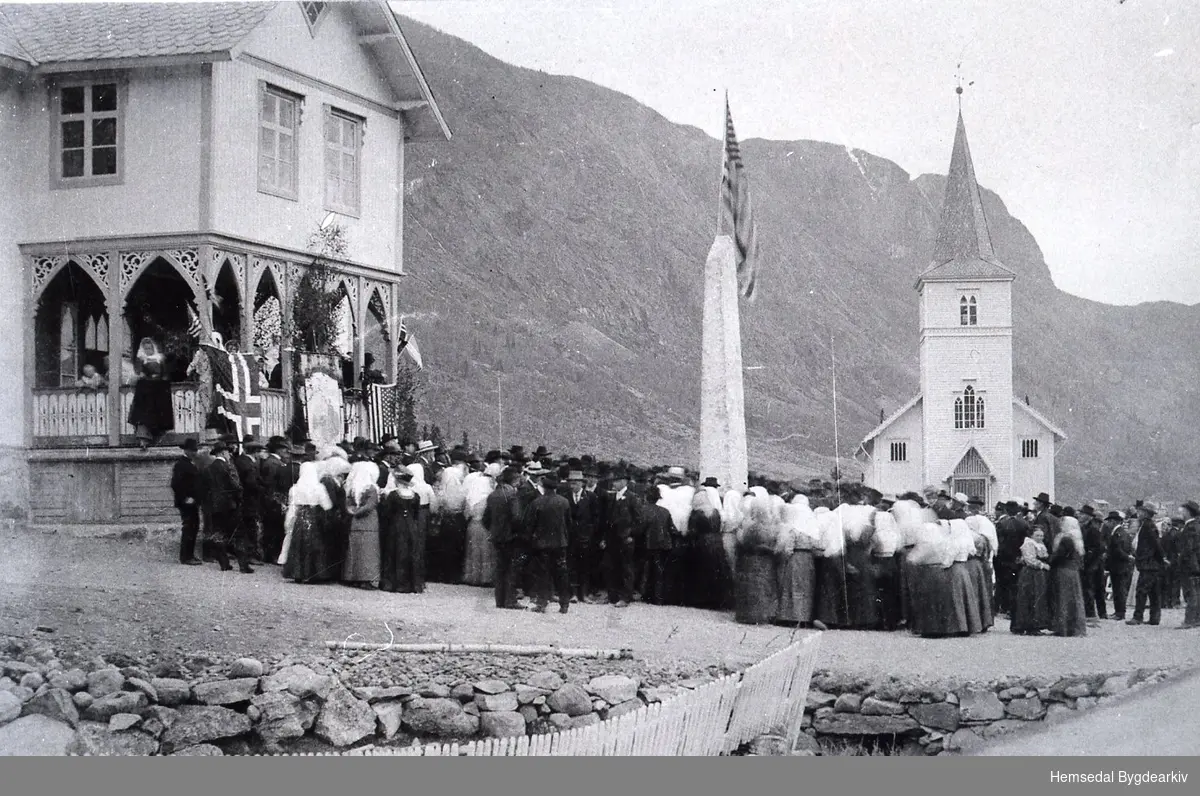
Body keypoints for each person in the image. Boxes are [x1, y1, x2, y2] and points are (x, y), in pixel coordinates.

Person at [522, 474, 572, 614]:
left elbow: (529, 525)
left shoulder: (537, 502)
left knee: (543, 574)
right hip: (560, 543)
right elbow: (569, 523)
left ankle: (542, 603)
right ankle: (564, 604)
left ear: (543, 487)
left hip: (541, 544)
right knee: (561, 574)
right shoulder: (564, 502)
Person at [278, 462, 335, 583]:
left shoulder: (294, 488)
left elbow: (291, 505)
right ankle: (312, 573)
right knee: (314, 543)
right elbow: (327, 505)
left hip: (299, 516)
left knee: (298, 543)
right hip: (313, 516)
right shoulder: (319, 487)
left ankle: (297, 572)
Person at [734, 495, 786, 625]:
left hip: (750, 560)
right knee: (764, 587)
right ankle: (762, 615)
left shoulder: (748, 525)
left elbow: (743, 542)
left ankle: (746, 615)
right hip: (766, 561)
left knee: (750, 588)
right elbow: (776, 545)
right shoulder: (773, 527)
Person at [203, 440, 253, 573]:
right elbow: (235, 486)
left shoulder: (209, 468)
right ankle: (243, 565)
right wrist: (239, 499)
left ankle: (224, 563)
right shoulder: (228, 467)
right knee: (238, 534)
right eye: (227, 451)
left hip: (215, 506)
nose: (230, 454)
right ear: (222, 452)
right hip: (230, 505)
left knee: (219, 534)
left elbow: (205, 489)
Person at [484, 466, 524, 608]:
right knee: (511, 569)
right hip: (510, 536)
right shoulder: (512, 495)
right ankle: (510, 600)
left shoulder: (493, 495)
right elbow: (517, 517)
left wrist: (494, 530)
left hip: (496, 536)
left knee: (500, 568)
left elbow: (486, 518)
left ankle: (499, 600)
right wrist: (516, 531)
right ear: (514, 480)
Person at [126, 337, 174, 449]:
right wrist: (141, 375)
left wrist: (163, 380)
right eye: (146, 348)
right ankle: (144, 440)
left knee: (158, 414)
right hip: (145, 391)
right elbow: (138, 373)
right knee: (143, 416)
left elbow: (165, 374)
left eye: (150, 348)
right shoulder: (141, 359)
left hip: (159, 389)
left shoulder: (160, 359)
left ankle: (157, 437)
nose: (148, 350)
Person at [603, 468, 641, 607]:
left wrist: (631, 535)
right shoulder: (612, 497)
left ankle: (625, 597)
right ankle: (612, 596)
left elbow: (639, 520)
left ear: (624, 482)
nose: (614, 483)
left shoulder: (633, 498)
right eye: (613, 480)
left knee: (626, 568)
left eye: (617, 480)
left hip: (626, 539)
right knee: (611, 567)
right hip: (612, 538)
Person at [379, 469, 422, 593]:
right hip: (411, 525)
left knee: (395, 550)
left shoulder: (393, 495)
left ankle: (394, 583)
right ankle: (410, 584)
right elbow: (416, 513)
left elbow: (387, 512)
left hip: (396, 525)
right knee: (410, 551)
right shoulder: (415, 496)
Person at [342, 461, 382, 589]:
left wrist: (353, 512)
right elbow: (371, 505)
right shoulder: (371, 488)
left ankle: (353, 577)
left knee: (355, 549)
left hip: (356, 522)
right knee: (368, 551)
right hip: (369, 522)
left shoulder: (352, 488)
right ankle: (366, 578)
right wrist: (360, 512)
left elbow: (347, 503)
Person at [563, 469, 599, 603]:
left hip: (586, 538)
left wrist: (590, 534)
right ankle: (572, 594)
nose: (573, 486)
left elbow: (596, 518)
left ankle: (584, 594)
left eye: (575, 483)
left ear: (582, 484)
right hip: (570, 537)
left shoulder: (591, 497)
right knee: (570, 566)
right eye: (571, 483)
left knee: (585, 566)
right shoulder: (565, 496)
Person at [1128, 502, 1166, 626]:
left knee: (1142, 590)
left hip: (1148, 563)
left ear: (1145, 513)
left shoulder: (1147, 526)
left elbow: (1155, 544)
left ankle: (1137, 616)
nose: (1138, 513)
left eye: (1140, 511)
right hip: (1152, 564)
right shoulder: (1149, 525)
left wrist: (1145, 557)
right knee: (1153, 592)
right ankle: (1154, 618)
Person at [1050, 516, 1088, 637]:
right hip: (1073, 571)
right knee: (1074, 598)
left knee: (1063, 598)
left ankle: (1063, 628)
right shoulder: (1077, 538)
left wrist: (1049, 561)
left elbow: (1059, 556)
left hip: (1063, 570)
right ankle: (1074, 627)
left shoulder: (1065, 538)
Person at [462, 462, 498, 586]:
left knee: (474, 551)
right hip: (484, 525)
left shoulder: (474, 490)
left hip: (473, 524)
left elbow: (466, 510)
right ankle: (485, 578)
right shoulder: (487, 494)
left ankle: (473, 576)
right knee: (486, 551)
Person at [169, 438, 203, 566]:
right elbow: (175, 484)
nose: (195, 452)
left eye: (196, 450)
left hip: (193, 501)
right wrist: (185, 498)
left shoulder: (189, 463)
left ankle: (189, 555)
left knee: (193, 527)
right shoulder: (181, 464)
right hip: (187, 502)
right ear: (186, 450)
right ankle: (186, 557)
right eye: (192, 450)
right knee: (189, 527)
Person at [1011, 528, 1051, 635]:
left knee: (1037, 597)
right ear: (1032, 535)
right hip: (1030, 574)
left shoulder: (1040, 545)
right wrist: (1043, 565)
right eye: (1037, 535)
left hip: (1038, 575)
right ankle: (1027, 625)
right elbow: (1030, 560)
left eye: (1041, 535)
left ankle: (1034, 625)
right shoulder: (1028, 544)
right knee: (1028, 597)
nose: (1040, 538)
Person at [260, 437, 292, 565]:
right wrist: (278, 500)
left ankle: (269, 554)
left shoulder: (271, 461)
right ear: (278, 449)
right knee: (274, 528)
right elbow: (272, 485)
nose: (286, 451)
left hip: (271, 499)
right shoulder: (274, 463)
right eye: (284, 448)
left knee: (271, 527)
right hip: (273, 500)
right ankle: (271, 554)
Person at [233, 436, 265, 563]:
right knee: (250, 527)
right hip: (250, 500)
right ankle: (250, 555)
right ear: (255, 452)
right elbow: (251, 483)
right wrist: (264, 489)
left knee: (247, 526)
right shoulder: (248, 464)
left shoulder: (241, 460)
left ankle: (248, 553)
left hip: (244, 500)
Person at [1079, 505, 1108, 622]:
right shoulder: (1085, 528)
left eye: (1082, 514)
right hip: (1092, 562)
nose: (1080, 516)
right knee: (1093, 588)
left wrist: (1088, 557)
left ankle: (1091, 613)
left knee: (1090, 588)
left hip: (1092, 563)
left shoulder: (1092, 529)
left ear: (1088, 516)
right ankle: (1098, 612)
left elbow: (1098, 547)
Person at [1106, 510, 1134, 620]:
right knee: (1118, 589)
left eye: (1109, 521)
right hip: (1121, 565)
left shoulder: (1117, 533)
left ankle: (1120, 612)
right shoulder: (1123, 533)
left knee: (1119, 589)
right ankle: (1118, 611)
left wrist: (1126, 557)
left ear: (1113, 521)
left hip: (1118, 565)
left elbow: (1118, 549)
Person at [1178, 500, 1200, 629]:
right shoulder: (1196, 526)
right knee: (1197, 593)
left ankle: (1189, 620)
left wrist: (1191, 566)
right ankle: (1196, 619)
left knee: (1190, 593)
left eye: (1182, 510)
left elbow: (1189, 549)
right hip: (1195, 565)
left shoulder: (1190, 528)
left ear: (1188, 512)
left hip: (1190, 566)